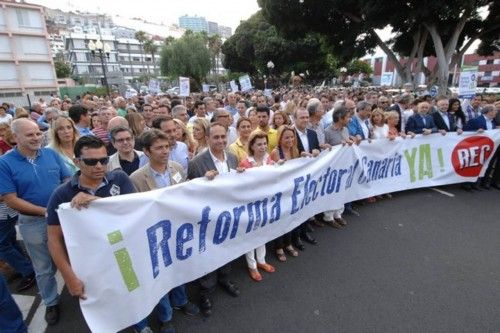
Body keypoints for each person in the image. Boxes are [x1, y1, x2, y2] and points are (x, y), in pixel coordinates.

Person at [0, 118, 71, 325]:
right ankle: (51, 302)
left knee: (73, 255)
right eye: (30, 134)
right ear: (15, 138)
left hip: (62, 217)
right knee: (43, 267)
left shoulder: (50, 154)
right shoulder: (4, 163)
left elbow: (66, 180)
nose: (36, 138)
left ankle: (82, 292)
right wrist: (45, 211)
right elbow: (10, 199)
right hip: (33, 223)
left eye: (38, 133)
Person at [130, 129, 198, 333]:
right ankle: (165, 316)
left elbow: (186, 193)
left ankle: (181, 300)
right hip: (154, 235)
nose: (164, 151)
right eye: (159, 148)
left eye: (167, 146)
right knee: (160, 275)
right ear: (147, 152)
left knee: (179, 269)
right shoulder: (137, 179)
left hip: (178, 230)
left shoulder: (176, 168)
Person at [187, 122, 241, 317]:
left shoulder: (233, 158)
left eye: (223, 136)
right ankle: (205, 292)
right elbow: (189, 194)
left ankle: (225, 278)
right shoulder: (196, 163)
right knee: (208, 255)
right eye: (215, 137)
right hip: (208, 220)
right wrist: (203, 182)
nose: (220, 140)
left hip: (229, 216)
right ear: (207, 139)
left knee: (226, 250)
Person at [239, 131, 276, 281]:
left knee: (262, 232)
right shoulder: (245, 163)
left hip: (266, 202)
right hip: (250, 204)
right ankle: (252, 265)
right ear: (252, 146)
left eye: (264, 144)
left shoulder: (270, 161)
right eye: (259, 144)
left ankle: (261, 260)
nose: (263, 147)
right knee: (251, 234)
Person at [270, 125, 300, 261]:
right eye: (286, 137)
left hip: (292, 190)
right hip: (280, 192)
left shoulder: (295, 150)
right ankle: (279, 247)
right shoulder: (276, 153)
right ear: (280, 138)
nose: (290, 139)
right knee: (280, 219)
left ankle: (288, 244)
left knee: (291, 217)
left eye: (292, 137)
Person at [323, 106, 353, 229]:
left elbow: (348, 141)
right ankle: (328, 216)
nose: (349, 119)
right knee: (332, 190)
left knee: (342, 189)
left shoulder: (346, 130)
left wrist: (350, 141)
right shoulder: (327, 131)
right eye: (347, 117)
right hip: (332, 168)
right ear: (340, 118)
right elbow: (324, 148)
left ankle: (338, 213)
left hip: (344, 165)